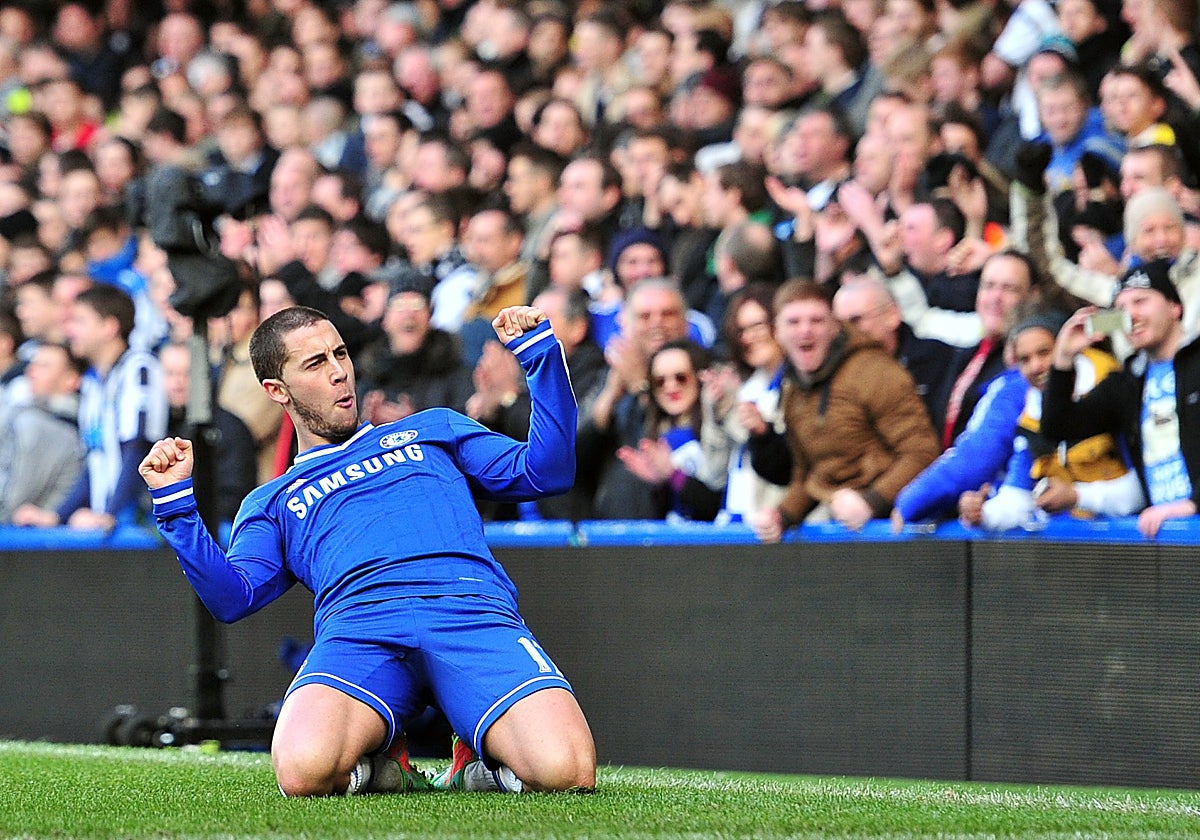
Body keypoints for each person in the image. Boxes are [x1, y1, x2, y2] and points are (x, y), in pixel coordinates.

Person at [138, 304, 596, 796]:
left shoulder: (435, 428)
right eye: (315, 364)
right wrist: (177, 508)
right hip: (359, 632)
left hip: (470, 613)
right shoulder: (271, 500)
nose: (339, 372)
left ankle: (474, 766)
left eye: (340, 353)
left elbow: (547, 471)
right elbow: (232, 598)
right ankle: (383, 769)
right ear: (277, 390)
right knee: (301, 772)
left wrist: (541, 358)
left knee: (566, 771)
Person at [749, 280, 940, 539]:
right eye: (793, 322)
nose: (805, 331)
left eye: (816, 320)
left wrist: (872, 501)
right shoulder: (793, 388)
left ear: (834, 327)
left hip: (898, 531)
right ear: (777, 332)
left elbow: (923, 452)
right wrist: (781, 516)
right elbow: (810, 474)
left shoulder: (875, 372)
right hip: (847, 531)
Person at [1042, 258, 1200, 537]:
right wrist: (1064, 359)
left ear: (1175, 307)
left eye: (1141, 301)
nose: (1131, 315)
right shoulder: (1127, 382)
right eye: (1121, 309)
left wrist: (1193, 505)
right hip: (1164, 533)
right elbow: (1058, 426)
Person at [13, 284, 167, 530]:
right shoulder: (94, 384)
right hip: (106, 526)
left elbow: (139, 448)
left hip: (138, 529)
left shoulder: (138, 370)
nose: (69, 329)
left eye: (79, 320)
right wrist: (57, 515)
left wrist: (111, 514)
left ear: (109, 327)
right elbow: (93, 461)